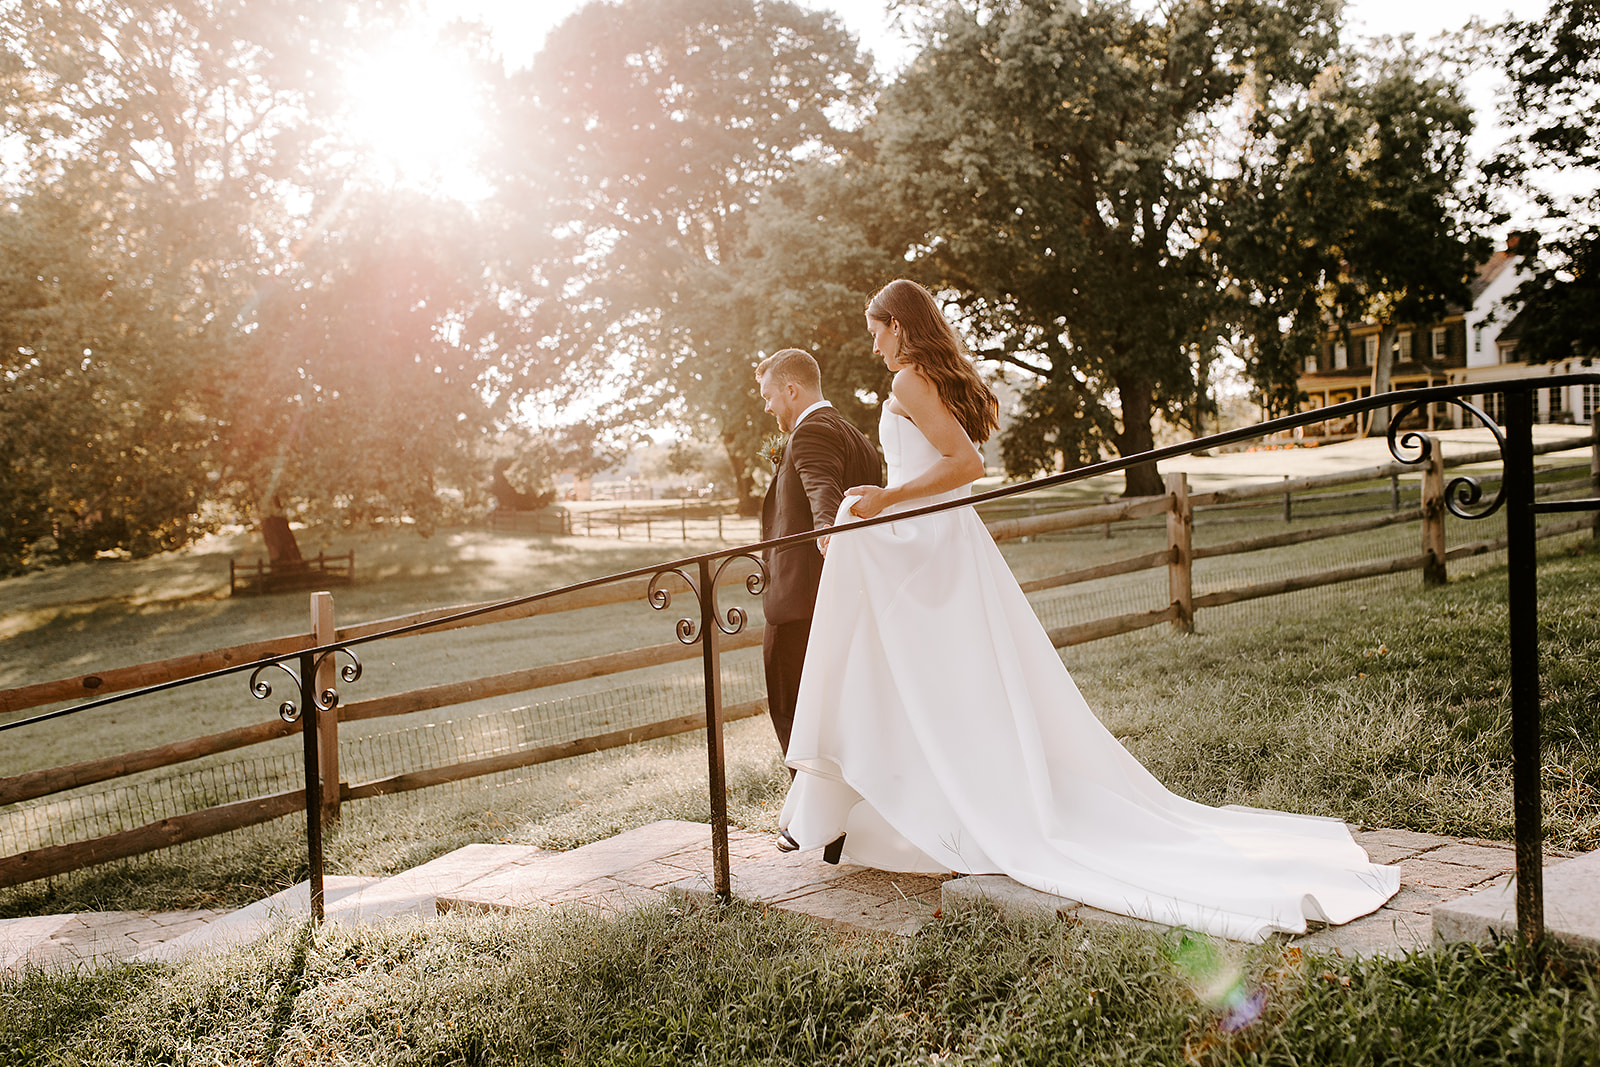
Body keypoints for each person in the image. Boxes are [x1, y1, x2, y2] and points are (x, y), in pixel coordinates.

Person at [776, 280, 1400, 942]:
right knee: (943, 680)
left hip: (927, 545)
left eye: (877, 328)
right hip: (941, 543)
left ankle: (936, 804)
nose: (872, 342)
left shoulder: (908, 382)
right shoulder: (925, 375)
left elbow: (966, 464)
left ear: (900, 326)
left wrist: (885, 498)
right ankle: (915, 800)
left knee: (921, 673)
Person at [756, 348, 883, 760]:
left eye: (769, 395)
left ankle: (810, 813)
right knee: (846, 714)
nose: (767, 406)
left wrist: (828, 531)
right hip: (849, 600)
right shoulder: (857, 437)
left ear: (791, 390)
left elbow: (822, 491)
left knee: (793, 712)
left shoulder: (810, 432)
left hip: (801, 605)